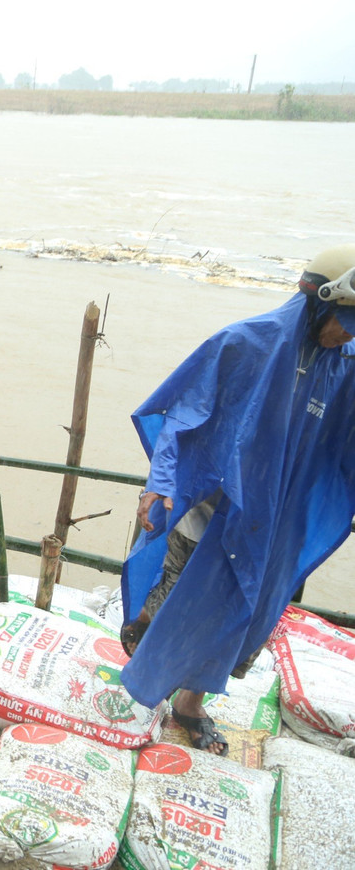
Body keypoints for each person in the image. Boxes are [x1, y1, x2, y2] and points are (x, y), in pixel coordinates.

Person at [120, 245, 355, 756]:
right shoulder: (245, 344)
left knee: (245, 620)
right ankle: (143, 650)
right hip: (213, 512)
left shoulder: (346, 369)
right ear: (317, 300)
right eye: (346, 320)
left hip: (276, 524)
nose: (350, 333)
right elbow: (183, 413)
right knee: (172, 604)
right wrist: (161, 483)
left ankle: (189, 704)